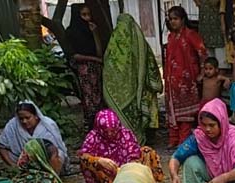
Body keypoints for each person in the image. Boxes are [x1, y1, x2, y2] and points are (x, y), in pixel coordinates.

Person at [103, 14, 163, 142]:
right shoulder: (140, 43)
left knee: (122, 114)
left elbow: (108, 67)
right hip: (137, 91)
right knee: (137, 112)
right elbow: (150, 62)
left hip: (118, 94)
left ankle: (124, 141)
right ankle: (136, 140)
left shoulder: (113, 45)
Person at [79, 109, 165, 183]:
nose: (109, 134)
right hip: (108, 176)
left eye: (113, 131)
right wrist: (99, 160)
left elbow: (134, 153)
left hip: (128, 172)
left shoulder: (125, 134)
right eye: (106, 131)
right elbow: (83, 157)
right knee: (93, 165)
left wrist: (129, 167)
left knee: (147, 151)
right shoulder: (93, 137)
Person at [165, 6, 208, 148]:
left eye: (175, 19)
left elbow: (202, 52)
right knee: (173, 111)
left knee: (186, 115)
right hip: (172, 81)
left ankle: (183, 140)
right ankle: (173, 139)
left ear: (183, 19)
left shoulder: (190, 35)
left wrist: (202, 72)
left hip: (187, 81)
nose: (173, 22)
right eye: (171, 19)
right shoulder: (170, 37)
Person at [0, 101, 69, 174]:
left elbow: (55, 148)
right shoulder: (13, 125)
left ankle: (52, 176)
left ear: (36, 116)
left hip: (46, 159)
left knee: (59, 154)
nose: (24, 121)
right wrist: (12, 165)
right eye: (21, 119)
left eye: (28, 118)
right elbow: (1, 145)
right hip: (21, 160)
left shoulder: (48, 125)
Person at [66, 3, 104, 130]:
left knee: (98, 98)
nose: (87, 18)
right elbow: (74, 55)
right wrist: (95, 59)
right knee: (89, 100)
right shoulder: (71, 32)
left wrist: (95, 34)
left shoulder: (91, 31)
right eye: (84, 15)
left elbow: (99, 51)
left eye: (89, 14)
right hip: (84, 71)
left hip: (96, 70)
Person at [194, 0, 228, 68]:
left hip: (218, 22)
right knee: (208, 55)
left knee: (221, 60)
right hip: (205, 22)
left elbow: (214, 2)